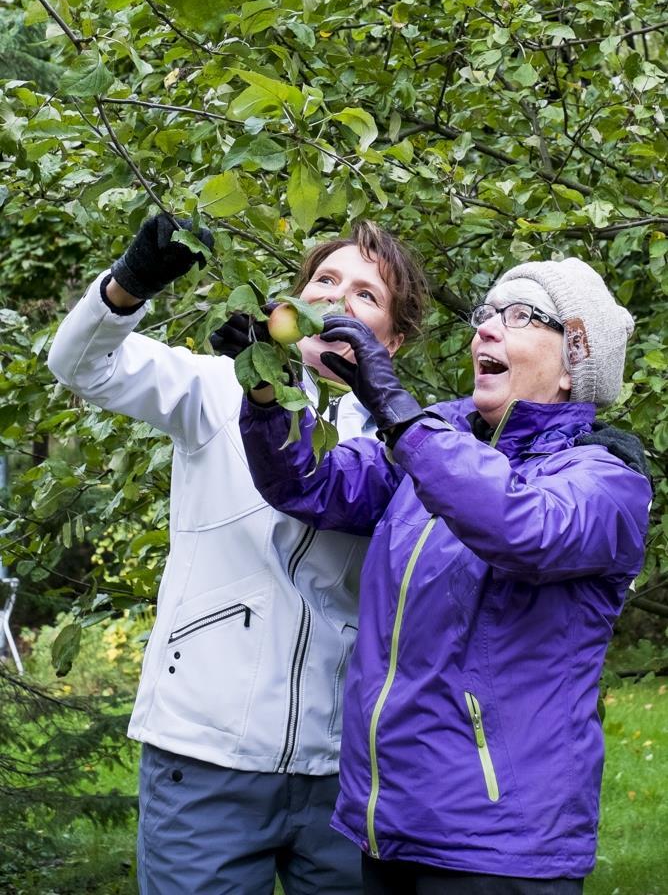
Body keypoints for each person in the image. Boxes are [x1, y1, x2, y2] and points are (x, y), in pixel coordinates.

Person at [238, 257, 652, 895]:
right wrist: (263, 390)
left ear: (575, 363)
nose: (486, 329)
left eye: (520, 317)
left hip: (497, 844)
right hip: (389, 823)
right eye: (486, 315)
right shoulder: (436, 444)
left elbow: (522, 529)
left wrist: (402, 416)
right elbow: (308, 482)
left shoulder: (605, 480)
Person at [47, 215, 427, 895]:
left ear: (391, 342)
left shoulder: (413, 446)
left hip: (339, 770)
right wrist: (128, 285)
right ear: (293, 305)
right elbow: (79, 365)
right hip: (205, 750)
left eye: (366, 294)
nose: (338, 298)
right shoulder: (216, 391)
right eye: (326, 280)